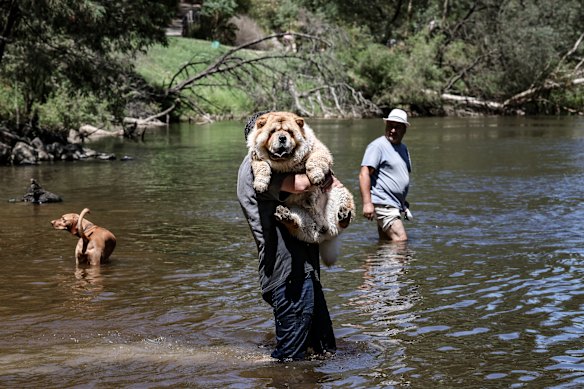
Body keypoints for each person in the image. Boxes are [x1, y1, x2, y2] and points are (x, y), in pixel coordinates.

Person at [237, 113, 336, 361]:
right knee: (290, 361)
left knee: (324, 350)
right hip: (286, 272)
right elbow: (303, 184)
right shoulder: (256, 168)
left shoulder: (278, 163)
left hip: (302, 268)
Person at [359, 108, 412, 241]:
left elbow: (396, 175)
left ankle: (374, 261)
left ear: (404, 129)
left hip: (394, 204)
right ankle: (400, 262)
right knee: (401, 241)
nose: (393, 130)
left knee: (386, 243)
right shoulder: (378, 146)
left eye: (397, 127)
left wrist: (402, 201)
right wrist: (367, 203)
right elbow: (364, 173)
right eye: (390, 126)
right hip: (382, 202)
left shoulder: (403, 149)